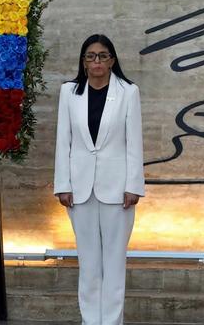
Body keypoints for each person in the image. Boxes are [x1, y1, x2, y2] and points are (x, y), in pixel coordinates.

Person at [53, 34, 145, 325]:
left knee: (114, 263)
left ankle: (112, 322)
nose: (97, 61)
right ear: (83, 61)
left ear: (112, 60)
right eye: (91, 56)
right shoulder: (69, 92)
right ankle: (91, 321)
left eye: (103, 56)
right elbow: (63, 141)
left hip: (118, 190)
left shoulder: (128, 92)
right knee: (89, 263)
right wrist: (62, 184)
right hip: (79, 189)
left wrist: (133, 185)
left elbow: (134, 143)